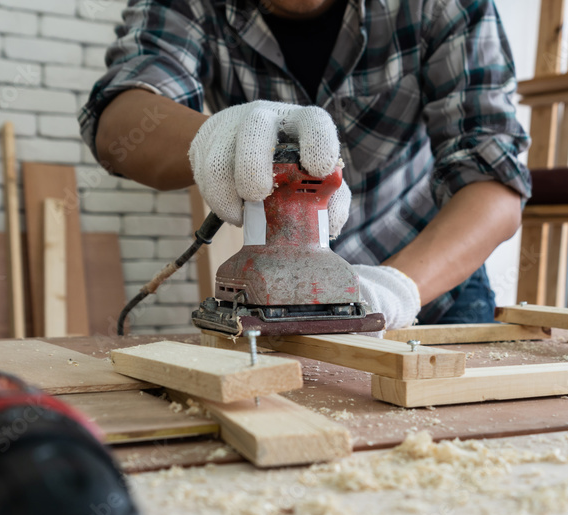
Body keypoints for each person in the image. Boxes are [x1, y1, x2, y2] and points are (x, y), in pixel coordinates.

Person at [79, 0, 531, 329]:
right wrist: (215, 138)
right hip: (277, 310)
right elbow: (119, 123)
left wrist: (395, 289)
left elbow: (495, 183)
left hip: (431, 287)